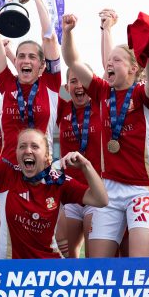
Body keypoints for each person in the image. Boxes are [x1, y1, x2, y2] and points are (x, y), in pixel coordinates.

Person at [0, 90, 107, 258]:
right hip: (13, 270)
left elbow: (101, 200)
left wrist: (86, 165)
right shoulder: (6, 175)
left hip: (49, 266)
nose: (28, 150)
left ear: (47, 155)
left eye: (35, 146)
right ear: (17, 153)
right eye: (22, 146)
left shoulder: (57, 181)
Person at [61, 13, 149, 258]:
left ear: (133, 68)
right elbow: (73, 61)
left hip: (143, 189)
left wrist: (148, 55)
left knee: (139, 262)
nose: (109, 63)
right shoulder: (102, 91)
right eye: (108, 60)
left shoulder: (141, 95)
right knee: (98, 264)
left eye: (116, 60)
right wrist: (67, 32)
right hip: (108, 190)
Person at [0, 0, 62, 163]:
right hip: (9, 169)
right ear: (16, 61)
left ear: (41, 64)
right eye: (21, 56)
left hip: (42, 168)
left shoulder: (50, 84)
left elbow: (50, 39)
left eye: (32, 57)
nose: (26, 60)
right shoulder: (6, 82)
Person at [56, 65, 103, 258]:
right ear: (66, 87)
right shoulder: (62, 109)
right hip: (71, 193)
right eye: (73, 81)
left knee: (93, 257)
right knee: (64, 250)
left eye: (83, 80)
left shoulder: (103, 105)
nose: (79, 85)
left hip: (97, 192)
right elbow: (44, 83)